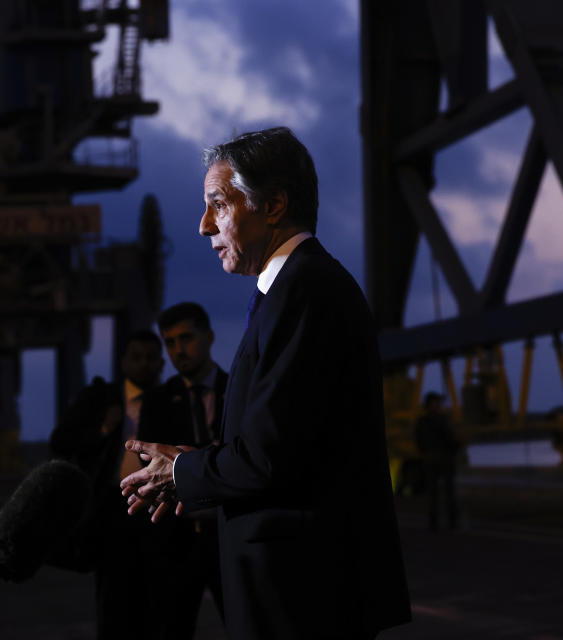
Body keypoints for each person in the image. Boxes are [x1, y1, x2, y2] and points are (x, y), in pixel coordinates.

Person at [121, 127, 411, 639]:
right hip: (299, 587)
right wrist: (197, 471)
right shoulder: (293, 291)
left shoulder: (305, 292)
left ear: (273, 204)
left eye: (218, 204)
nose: (203, 225)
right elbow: (284, 444)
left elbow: (269, 456)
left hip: (303, 593)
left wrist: (183, 471)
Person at [49, 328, 165, 640]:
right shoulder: (99, 398)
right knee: (113, 601)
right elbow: (61, 441)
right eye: (136, 358)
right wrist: (103, 429)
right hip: (110, 509)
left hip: (154, 511)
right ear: (123, 362)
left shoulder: (169, 400)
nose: (144, 365)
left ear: (161, 364)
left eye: (151, 359)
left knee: (155, 603)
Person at [134, 301, 228, 638]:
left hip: (229, 535)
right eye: (170, 343)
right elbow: (150, 468)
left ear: (209, 337)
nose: (178, 350)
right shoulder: (157, 401)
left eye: (186, 338)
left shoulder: (238, 391)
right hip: (176, 540)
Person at [415, 392, 461, 530]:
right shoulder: (441, 420)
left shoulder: (422, 421)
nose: (439, 406)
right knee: (446, 492)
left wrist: (425, 453)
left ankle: (436, 521)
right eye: (437, 403)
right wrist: (456, 448)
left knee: (435, 492)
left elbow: (419, 441)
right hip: (442, 459)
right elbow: (450, 438)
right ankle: (449, 521)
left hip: (431, 459)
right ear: (431, 404)